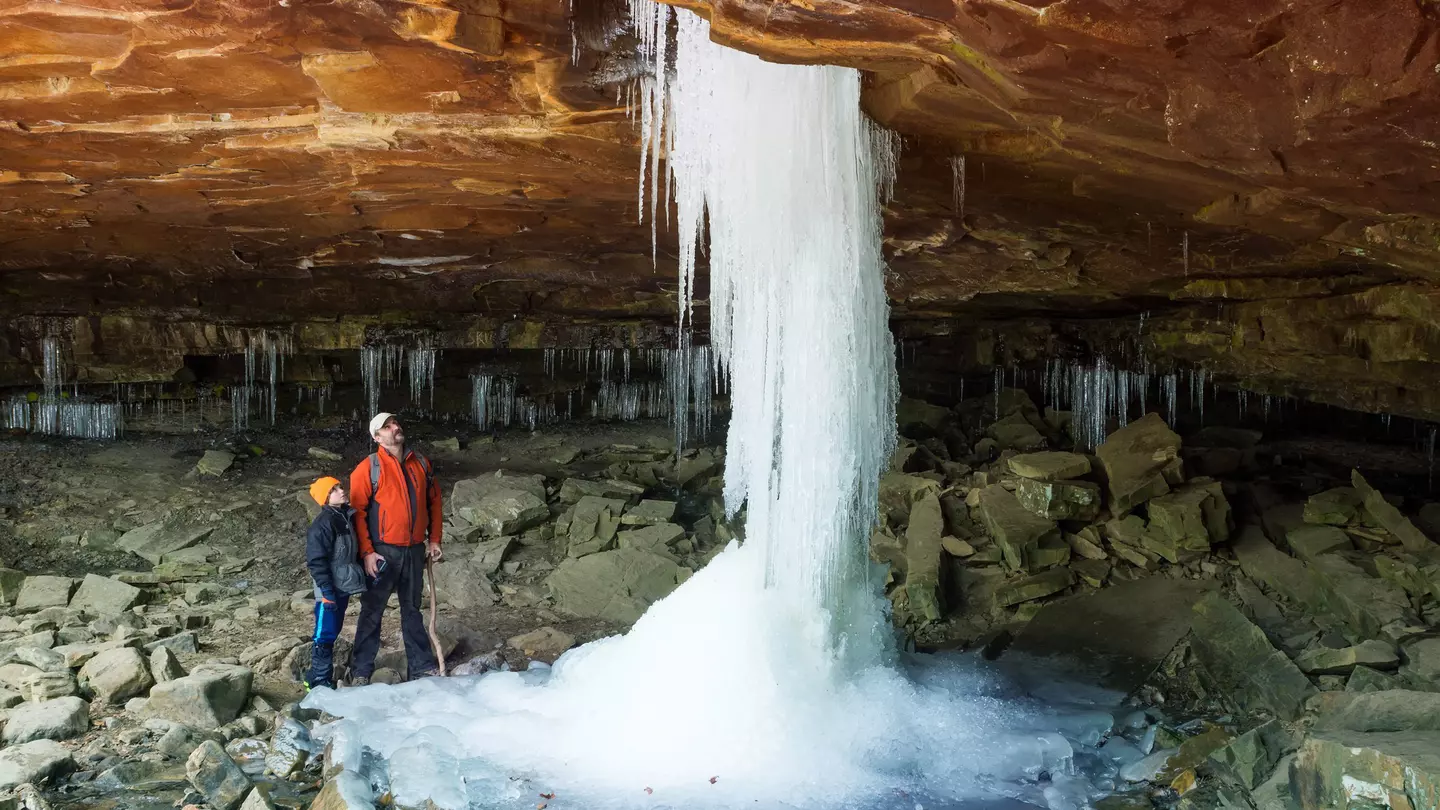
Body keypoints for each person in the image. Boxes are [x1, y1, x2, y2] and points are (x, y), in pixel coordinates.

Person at [347, 412, 443, 685]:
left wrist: (434, 539)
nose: (395, 428)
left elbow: (434, 502)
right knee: (372, 610)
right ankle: (361, 669)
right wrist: (366, 552)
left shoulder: (421, 463)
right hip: (382, 552)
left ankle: (422, 667)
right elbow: (358, 513)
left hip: (414, 550)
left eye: (396, 423)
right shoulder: (368, 468)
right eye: (387, 427)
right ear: (377, 437)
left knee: (412, 608)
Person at [303, 476, 366, 690]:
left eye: (339, 486)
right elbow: (316, 561)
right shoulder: (323, 524)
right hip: (328, 589)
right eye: (334, 490)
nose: (341, 490)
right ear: (325, 498)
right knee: (324, 632)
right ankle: (319, 681)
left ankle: (315, 675)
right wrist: (327, 591)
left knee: (334, 628)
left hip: (342, 585)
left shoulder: (344, 517)